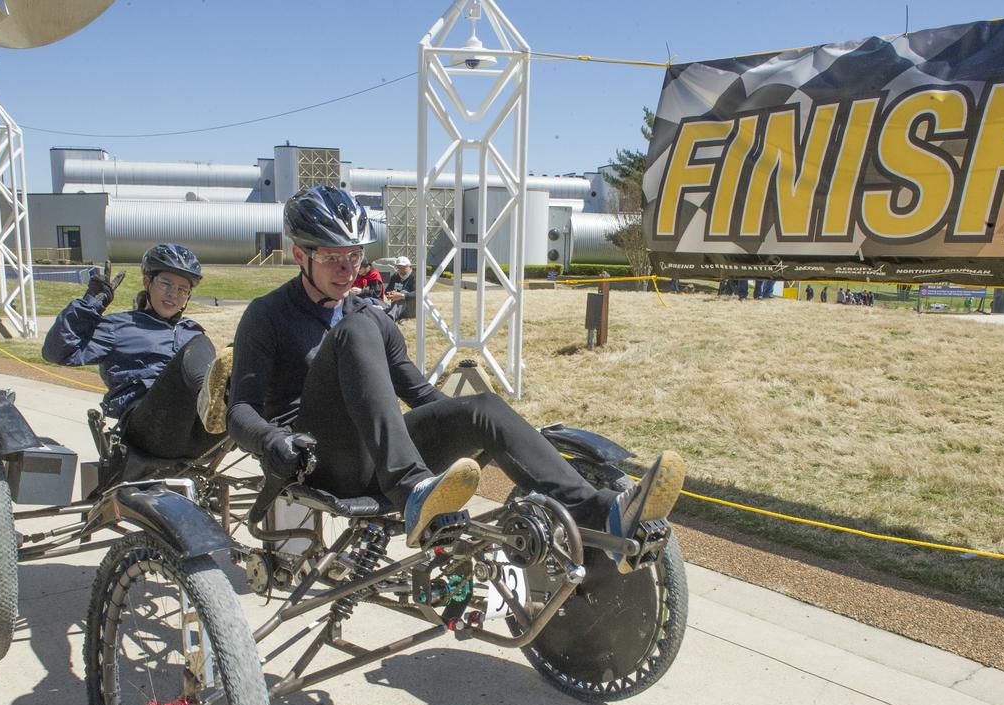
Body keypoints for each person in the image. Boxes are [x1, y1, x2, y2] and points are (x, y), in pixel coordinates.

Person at [226, 185, 685, 557]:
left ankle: (600, 512)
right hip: (314, 460)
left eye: (355, 255)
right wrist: (272, 441)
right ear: (298, 255)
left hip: (379, 457)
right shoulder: (268, 315)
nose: (347, 269)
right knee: (358, 329)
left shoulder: (368, 314)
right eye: (331, 257)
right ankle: (413, 493)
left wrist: (484, 431)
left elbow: (422, 396)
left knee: (480, 406)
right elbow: (239, 410)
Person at [42, 244, 230, 460]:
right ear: (147, 282)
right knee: (196, 347)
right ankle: (209, 398)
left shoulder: (191, 330)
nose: (173, 294)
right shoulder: (119, 326)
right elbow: (57, 352)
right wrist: (91, 303)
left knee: (235, 356)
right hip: (149, 426)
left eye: (182, 290)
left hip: (198, 431)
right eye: (166, 284)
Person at [384, 255, 416, 322]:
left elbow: (418, 294)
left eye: (403, 267)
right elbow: (387, 290)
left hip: (412, 310)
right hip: (397, 308)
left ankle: (390, 317)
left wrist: (402, 296)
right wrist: (390, 293)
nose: (401, 270)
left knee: (403, 292)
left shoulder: (415, 277)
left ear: (410, 267)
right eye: (399, 267)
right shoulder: (395, 276)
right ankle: (393, 315)